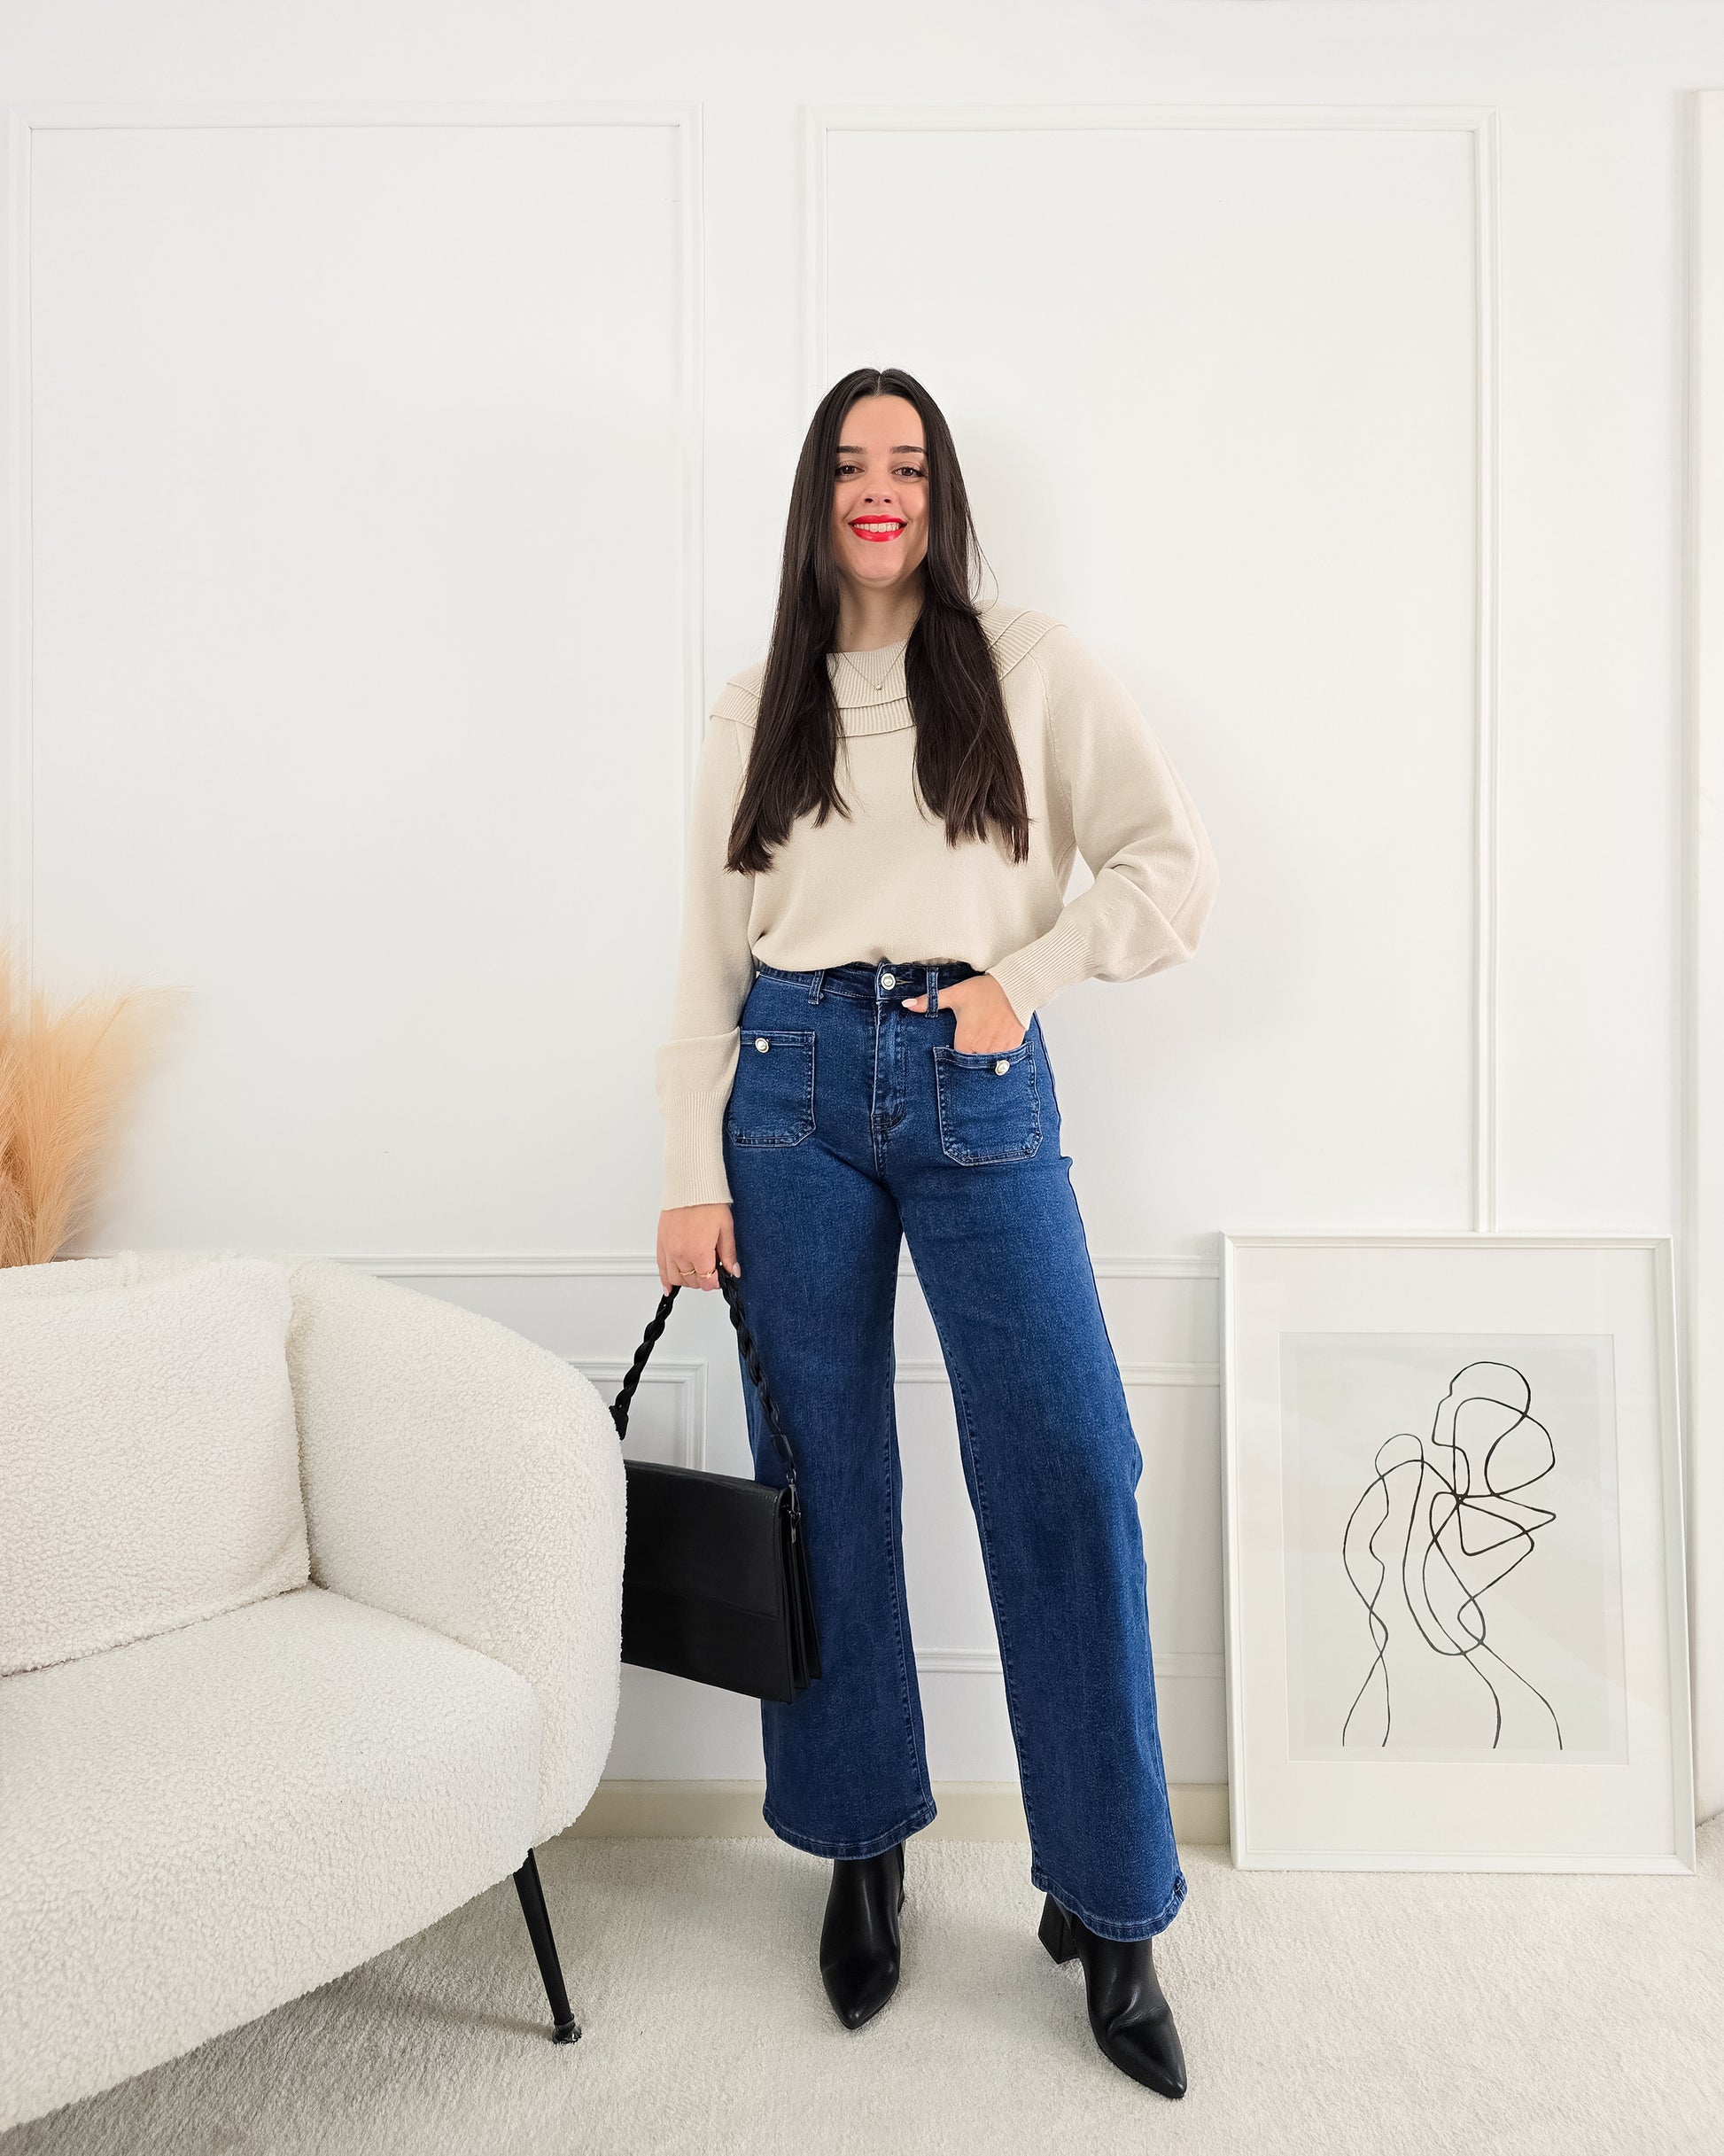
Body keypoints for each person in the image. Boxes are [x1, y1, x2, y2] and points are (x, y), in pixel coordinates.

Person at [652, 365, 1219, 2099]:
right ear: (815, 496)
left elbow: (1168, 868)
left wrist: (1023, 979)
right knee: (820, 1483)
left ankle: (1108, 1899)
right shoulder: (756, 699)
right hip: (788, 1092)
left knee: (1069, 1460)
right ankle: (859, 1843)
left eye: (905, 462)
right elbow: (703, 958)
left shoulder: (1026, 663)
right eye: (849, 462)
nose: (877, 487)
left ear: (940, 491)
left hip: (979, 1080)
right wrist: (686, 1167)